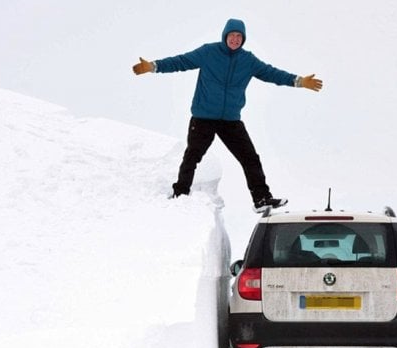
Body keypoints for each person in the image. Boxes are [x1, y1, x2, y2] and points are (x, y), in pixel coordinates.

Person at [133, 18, 322, 212]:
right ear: (225, 36)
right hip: (203, 117)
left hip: (230, 120)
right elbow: (181, 61)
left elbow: (272, 73)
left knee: (250, 157)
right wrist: (153, 66)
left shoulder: (248, 60)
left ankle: (262, 199)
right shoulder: (209, 52)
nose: (235, 39)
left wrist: (299, 81)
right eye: (232, 35)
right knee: (193, 156)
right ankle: (180, 194)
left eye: (239, 36)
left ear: (243, 39)